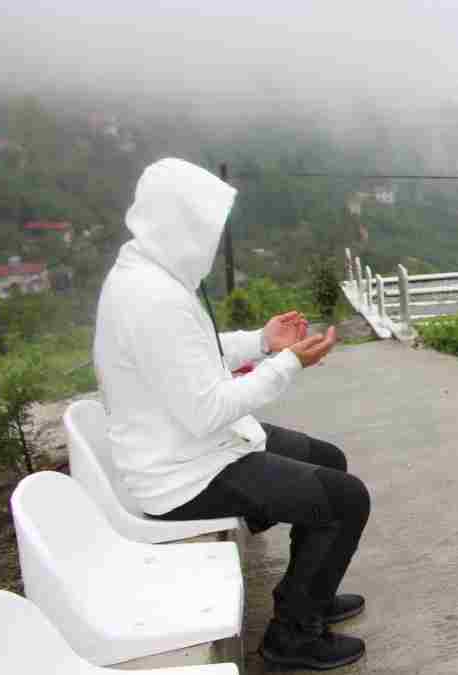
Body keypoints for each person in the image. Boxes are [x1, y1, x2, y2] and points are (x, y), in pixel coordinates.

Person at [93, 158, 370, 670]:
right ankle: (292, 635)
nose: (213, 239)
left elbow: (194, 353)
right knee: (346, 500)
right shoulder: (151, 299)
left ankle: (307, 596)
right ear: (177, 223)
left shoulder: (150, 273)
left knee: (330, 461)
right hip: (183, 474)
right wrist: (287, 363)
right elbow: (207, 409)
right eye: (205, 227)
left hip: (194, 447)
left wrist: (263, 342)